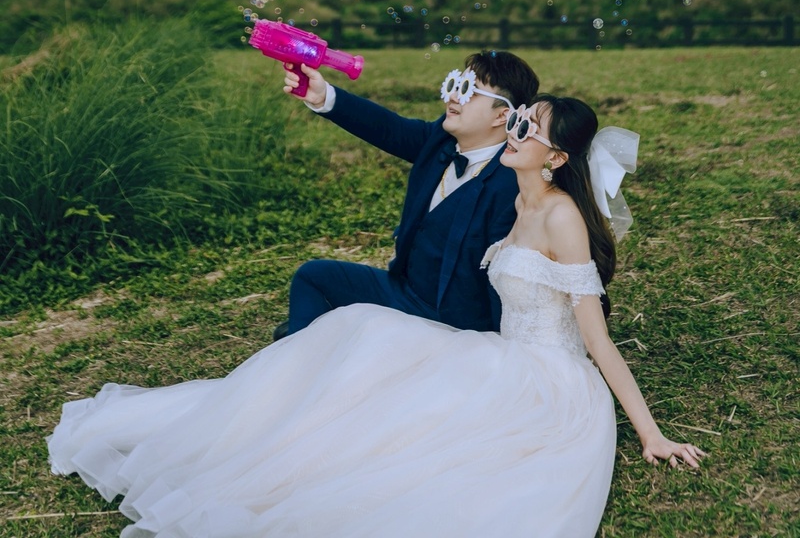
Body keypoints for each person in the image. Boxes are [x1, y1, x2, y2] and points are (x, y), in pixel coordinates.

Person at [47, 89, 706, 538]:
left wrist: (650, 433)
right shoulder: (517, 199)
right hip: (500, 352)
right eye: (516, 119)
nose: (514, 131)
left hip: (548, 380)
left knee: (416, 438)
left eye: (526, 128)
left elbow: (595, 338)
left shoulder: (561, 217)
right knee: (361, 334)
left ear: (557, 157)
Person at [279, 49, 540, 336]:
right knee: (314, 276)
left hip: (453, 322)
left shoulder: (513, 181)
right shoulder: (441, 139)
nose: (454, 97)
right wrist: (323, 97)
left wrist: (496, 345)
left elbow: (511, 276)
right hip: (405, 291)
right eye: (455, 84)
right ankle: (306, 346)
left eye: (469, 90)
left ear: (502, 115)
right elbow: (389, 128)